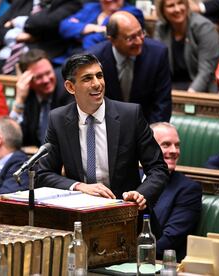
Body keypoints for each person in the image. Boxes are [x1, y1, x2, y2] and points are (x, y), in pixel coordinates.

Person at [37, 53, 169, 210]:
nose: (97, 84)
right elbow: (43, 174)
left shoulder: (130, 115)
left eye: (99, 76)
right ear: (70, 87)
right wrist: (78, 186)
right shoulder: (58, 119)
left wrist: (140, 194)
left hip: (126, 211)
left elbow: (158, 168)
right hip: (79, 213)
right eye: (87, 78)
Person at [90, 11, 172, 124]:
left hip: (145, 129)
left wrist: (151, 137)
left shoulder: (157, 54)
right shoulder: (94, 59)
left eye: (141, 33)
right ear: (112, 40)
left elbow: (162, 104)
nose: (139, 41)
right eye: (131, 38)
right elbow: (90, 104)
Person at [150, 122, 202, 262]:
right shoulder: (130, 176)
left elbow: (169, 240)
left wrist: (130, 254)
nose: (174, 151)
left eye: (177, 145)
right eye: (166, 144)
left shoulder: (188, 189)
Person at [0, 0, 81, 74]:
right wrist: (17, 36)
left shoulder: (68, 2)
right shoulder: (23, 2)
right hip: (8, 57)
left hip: (41, 61)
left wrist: (15, 22)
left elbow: (47, 23)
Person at [154, 0, 219, 92]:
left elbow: (206, 71)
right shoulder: (161, 28)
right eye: (171, 6)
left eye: (180, 3)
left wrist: (189, 95)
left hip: (203, 87)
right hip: (175, 86)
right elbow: (157, 64)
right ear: (162, 11)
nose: (177, 9)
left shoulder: (204, 27)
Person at [10, 49, 73, 147]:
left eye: (48, 73)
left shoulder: (67, 89)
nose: (46, 80)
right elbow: (12, 138)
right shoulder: (27, 94)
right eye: (39, 77)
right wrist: (19, 100)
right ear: (28, 80)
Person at [59, 0, 144, 52]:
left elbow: (92, 40)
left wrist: (80, 30)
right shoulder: (91, 8)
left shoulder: (131, 12)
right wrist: (96, 28)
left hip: (100, 61)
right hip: (69, 56)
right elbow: (64, 26)